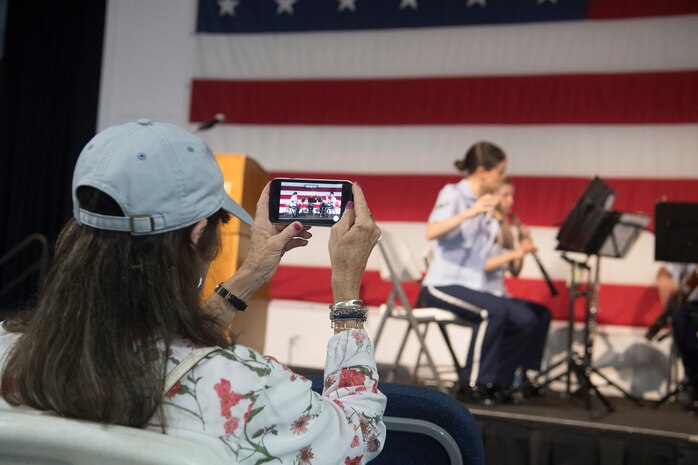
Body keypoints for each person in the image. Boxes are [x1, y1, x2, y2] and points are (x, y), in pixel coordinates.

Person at [0, 119, 386, 464]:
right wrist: (346, 291)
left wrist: (249, 274)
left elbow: (159, 349)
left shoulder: (8, 352)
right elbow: (362, 432)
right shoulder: (243, 386)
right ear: (199, 235)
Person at [418, 141, 545, 405]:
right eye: (499, 172)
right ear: (482, 171)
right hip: (442, 283)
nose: (501, 179)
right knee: (493, 312)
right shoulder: (453, 194)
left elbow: (499, 252)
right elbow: (432, 231)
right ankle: (472, 382)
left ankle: (500, 381)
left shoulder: (486, 204)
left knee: (525, 319)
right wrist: (470, 213)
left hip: (472, 285)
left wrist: (500, 220)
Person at [483, 179, 551, 394]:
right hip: (482, 291)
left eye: (512, 196)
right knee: (524, 319)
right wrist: (518, 252)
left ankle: (523, 373)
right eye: (505, 195)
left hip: (500, 291)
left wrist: (521, 244)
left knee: (542, 314)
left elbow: (515, 270)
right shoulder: (485, 225)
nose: (510, 201)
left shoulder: (505, 227)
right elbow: (482, 265)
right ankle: (502, 376)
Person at [656, 263, 698, 410]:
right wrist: (663, 277)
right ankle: (692, 377)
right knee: (679, 318)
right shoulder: (692, 246)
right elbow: (667, 269)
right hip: (693, 305)